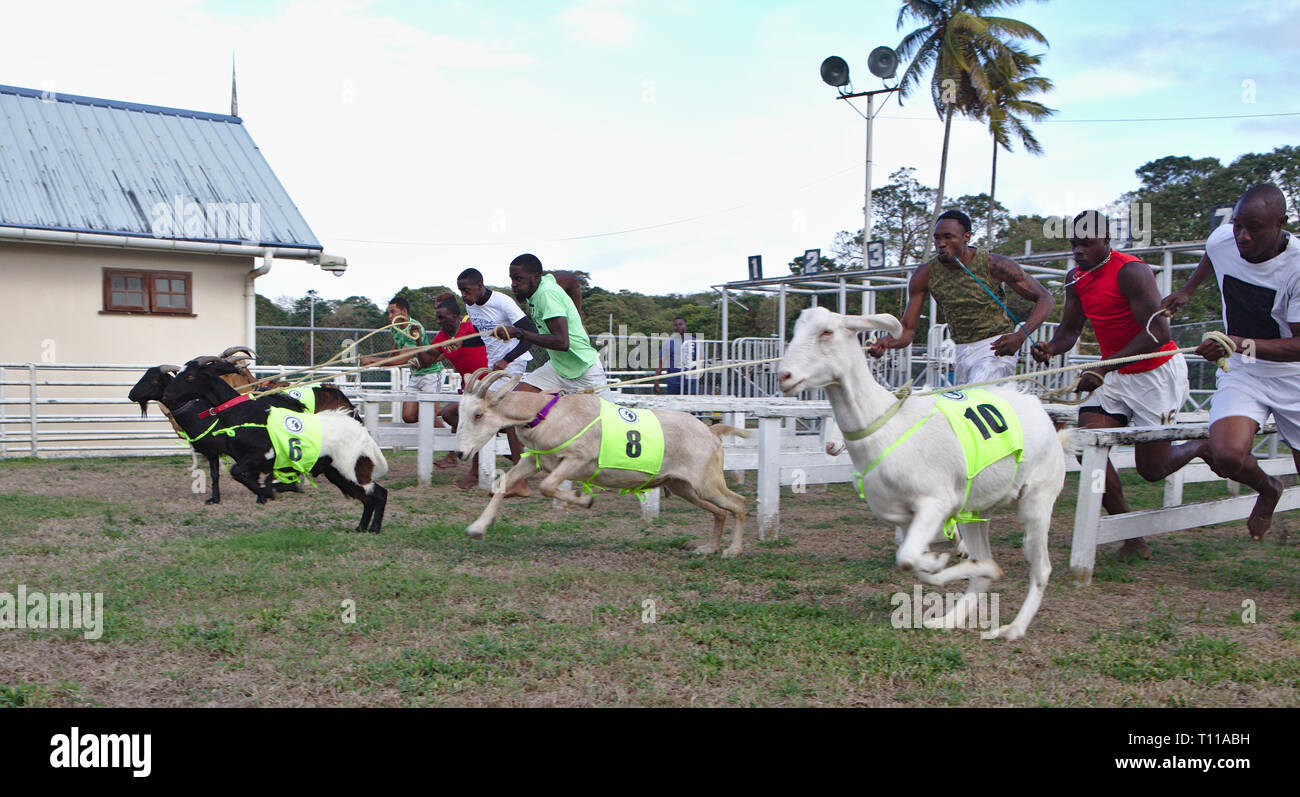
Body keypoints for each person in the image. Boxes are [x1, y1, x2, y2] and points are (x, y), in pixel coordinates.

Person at [1032, 211, 1199, 559]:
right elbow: (1069, 331)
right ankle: (1131, 535)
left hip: (1157, 372)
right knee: (1085, 442)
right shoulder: (1074, 278)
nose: (1078, 251)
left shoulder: (1132, 272)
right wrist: (1051, 347)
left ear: (1106, 240)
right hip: (1118, 375)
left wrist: (1104, 367)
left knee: (1151, 470)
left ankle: (1204, 447)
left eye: (1086, 244)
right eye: (1073, 245)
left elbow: (1158, 333)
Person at [1161, 183, 1300, 541]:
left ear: (1281, 223)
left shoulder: (1297, 268)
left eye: (1254, 228)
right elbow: (1214, 252)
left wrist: (1236, 343)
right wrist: (1188, 290)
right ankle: (1268, 489)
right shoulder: (1225, 239)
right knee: (1227, 455)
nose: (1243, 236)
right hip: (1244, 371)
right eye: (1238, 225)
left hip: (1293, 375)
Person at [869, 210, 1055, 384]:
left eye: (948, 237)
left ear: (967, 237)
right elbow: (908, 331)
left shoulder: (993, 264)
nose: (941, 243)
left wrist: (1020, 336)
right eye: (937, 238)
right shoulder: (925, 274)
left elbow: (1046, 299)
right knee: (963, 408)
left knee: (977, 399)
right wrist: (887, 342)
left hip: (996, 348)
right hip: (960, 350)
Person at [456, 267, 535, 496]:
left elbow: (528, 334)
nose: (464, 296)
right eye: (461, 291)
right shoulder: (471, 306)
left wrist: (507, 360)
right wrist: (461, 344)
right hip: (493, 366)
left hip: (514, 363)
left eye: (467, 290)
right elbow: (484, 339)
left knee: (499, 414)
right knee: (472, 411)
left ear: (480, 286)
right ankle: (518, 465)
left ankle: (519, 480)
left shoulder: (503, 303)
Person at [496, 253, 607, 392]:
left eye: (518, 279)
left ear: (536, 277)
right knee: (514, 401)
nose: (513, 284)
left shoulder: (546, 294)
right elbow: (572, 280)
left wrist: (519, 333)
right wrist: (579, 318)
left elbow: (562, 342)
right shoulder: (545, 282)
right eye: (512, 279)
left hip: (585, 371)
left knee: (605, 413)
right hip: (558, 369)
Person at [415, 293, 491, 487]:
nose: (439, 322)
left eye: (443, 318)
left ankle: (475, 473)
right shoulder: (441, 337)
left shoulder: (472, 328)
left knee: (472, 420)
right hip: (469, 387)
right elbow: (426, 362)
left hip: (488, 384)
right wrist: (417, 341)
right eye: (437, 318)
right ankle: (500, 452)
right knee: (450, 413)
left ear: (456, 316)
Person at [359, 296, 445, 425]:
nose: (389, 316)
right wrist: (383, 361)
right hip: (416, 374)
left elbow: (401, 360)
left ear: (404, 312)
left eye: (393, 312)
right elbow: (396, 351)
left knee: (428, 417)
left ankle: (446, 433)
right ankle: (442, 410)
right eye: (389, 312)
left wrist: (373, 360)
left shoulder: (414, 329)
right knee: (409, 416)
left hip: (431, 373)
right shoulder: (395, 327)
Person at [654, 316, 699, 394]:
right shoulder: (668, 343)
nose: (678, 327)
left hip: (690, 379)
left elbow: (700, 360)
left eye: (680, 324)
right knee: (673, 403)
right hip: (673, 380)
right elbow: (661, 362)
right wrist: (656, 380)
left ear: (685, 325)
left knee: (691, 402)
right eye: (676, 325)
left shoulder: (694, 341)